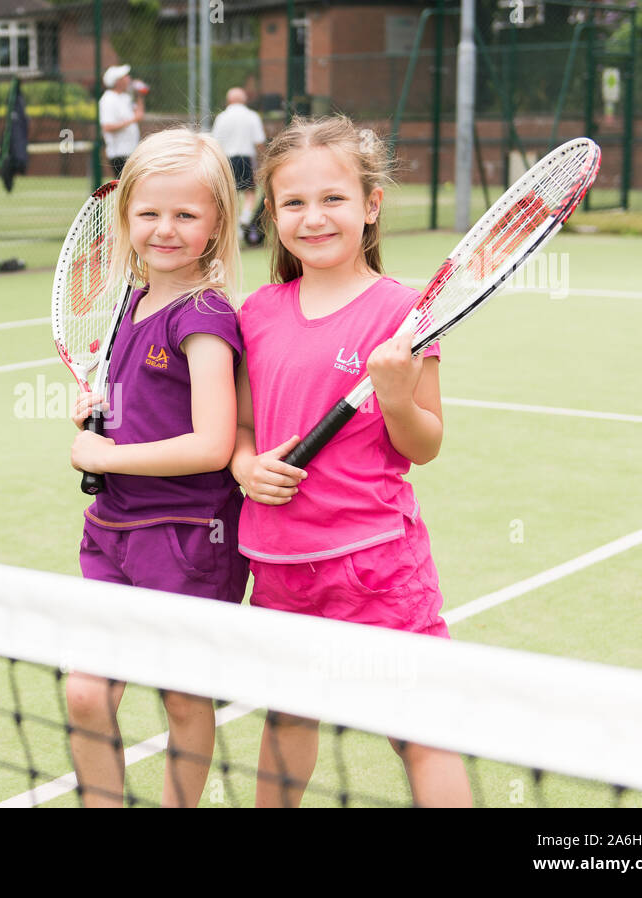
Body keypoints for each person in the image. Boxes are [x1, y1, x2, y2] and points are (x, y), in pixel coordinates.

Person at [230, 115, 472, 808]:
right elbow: (243, 426)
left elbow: (423, 444)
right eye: (293, 202)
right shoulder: (257, 311)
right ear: (271, 212)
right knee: (287, 718)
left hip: (375, 563)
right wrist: (246, 467)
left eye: (333, 199)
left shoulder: (405, 313)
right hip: (278, 561)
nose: (313, 217)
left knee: (421, 731)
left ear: (370, 205)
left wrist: (397, 399)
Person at [65, 129, 247, 807]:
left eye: (185, 215)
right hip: (111, 533)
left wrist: (109, 455)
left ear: (216, 224)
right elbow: (133, 407)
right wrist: (95, 410)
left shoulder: (205, 316)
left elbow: (212, 443)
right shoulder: (126, 307)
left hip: (188, 539)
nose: (164, 229)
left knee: (182, 698)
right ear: (126, 219)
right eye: (149, 213)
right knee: (86, 693)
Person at [211, 87, 267, 238]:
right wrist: (264, 159)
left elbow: (215, 142)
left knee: (229, 195)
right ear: (244, 100)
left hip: (226, 160)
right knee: (250, 193)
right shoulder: (252, 116)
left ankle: (232, 227)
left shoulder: (221, 117)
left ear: (229, 100)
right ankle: (244, 219)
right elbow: (259, 141)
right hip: (245, 159)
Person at [98, 64, 144, 178]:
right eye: (125, 77)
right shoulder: (108, 99)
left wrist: (139, 95)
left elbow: (139, 114)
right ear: (117, 81)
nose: (129, 79)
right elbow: (107, 127)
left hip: (132, 151)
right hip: (119, 154)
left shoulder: (125, 97)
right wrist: (133, 119)